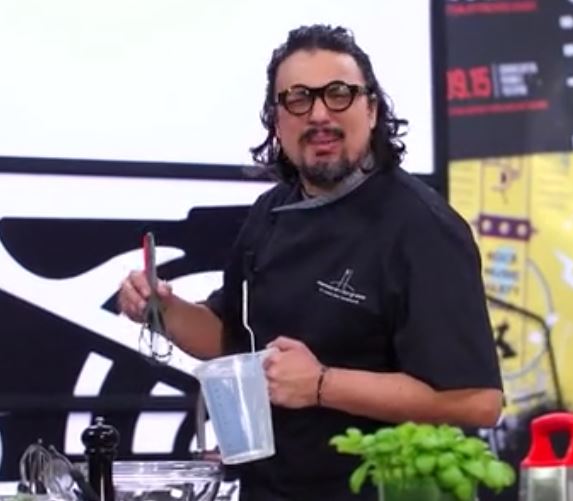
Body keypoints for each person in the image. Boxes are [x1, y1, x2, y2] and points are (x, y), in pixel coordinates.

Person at [117, 24, 504, 500]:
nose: (319, 114)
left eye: (339, 94)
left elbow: (477, 401)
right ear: (277, 121)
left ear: (372, 109)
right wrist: (160, 309)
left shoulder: (423, 228)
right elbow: (232, 338)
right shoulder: (270, 213)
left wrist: (322, 385)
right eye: (298, 99)